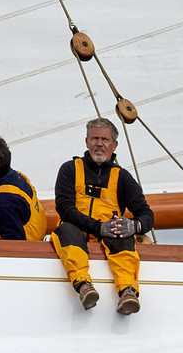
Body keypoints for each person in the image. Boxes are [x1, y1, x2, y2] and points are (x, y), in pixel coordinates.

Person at [52, 117, 152, 316]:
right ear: (87, 142)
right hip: (75, 233)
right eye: (94, 138)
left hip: (110, 238)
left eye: (105, 140)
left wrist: (134, 226)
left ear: (114, 145)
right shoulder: (70, 169)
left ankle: (128, 291)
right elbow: (65, 208)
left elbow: (147, 215)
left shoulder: (122, 177)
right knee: (66, 229)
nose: (99, 144)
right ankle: (84, 286)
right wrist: (98, 227)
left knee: (121, 233)